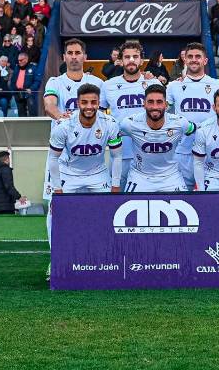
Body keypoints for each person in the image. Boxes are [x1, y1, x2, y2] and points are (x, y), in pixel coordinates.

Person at [47, 83, 122, 280]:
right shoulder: (63, 126)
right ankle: (55, 259)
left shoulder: (110, 123)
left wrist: (115, 186)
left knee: (110, 213)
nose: (89, 106)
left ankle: (107, 258)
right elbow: (52, 159)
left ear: (99, 103)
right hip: (69, 173)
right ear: (77, 103)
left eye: (94, 102)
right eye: (85, 102)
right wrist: (57, 190)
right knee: (55, 212)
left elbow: (117, 157)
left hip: (97, 173)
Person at [42, 38, 105, 202]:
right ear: (64, 57)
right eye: (70, 53)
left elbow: (105, 114)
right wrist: (63, 119)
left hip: (92, 159)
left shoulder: (97, 83)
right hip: (62, 156)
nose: (74, 57)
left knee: (97, 208)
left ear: (85, 56)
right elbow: (49, 106)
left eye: (78, 53)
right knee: (56, 206)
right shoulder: (55, 82)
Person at [100, 41, 162, 189]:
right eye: (127, 57)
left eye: (135, 56)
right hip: (119, 154)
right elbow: (100, 114)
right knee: (115, 198)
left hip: (149, 153)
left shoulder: (153, 84)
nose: (132, 60)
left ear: (141, 60)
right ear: (121, 61)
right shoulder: (109, 85)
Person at [167, 43, 219, 190]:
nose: (194, 60)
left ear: (205, 60)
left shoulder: (217, 85)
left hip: (209, 153)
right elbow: (162, 113)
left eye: (198, 56)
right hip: (181, 152)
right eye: (190, 56)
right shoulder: (173, 86)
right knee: (181, 198)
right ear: (184, 60)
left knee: (208, 199)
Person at [118, 84, 195, 193]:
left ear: (166, 105)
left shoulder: (180, 123)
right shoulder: (129, 124)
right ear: (144, 104)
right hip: (140, 176)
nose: (155, 107)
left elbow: (195, 130)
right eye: (150, 102)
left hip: (171, 177)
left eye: (159, 102)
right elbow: (111, 132)